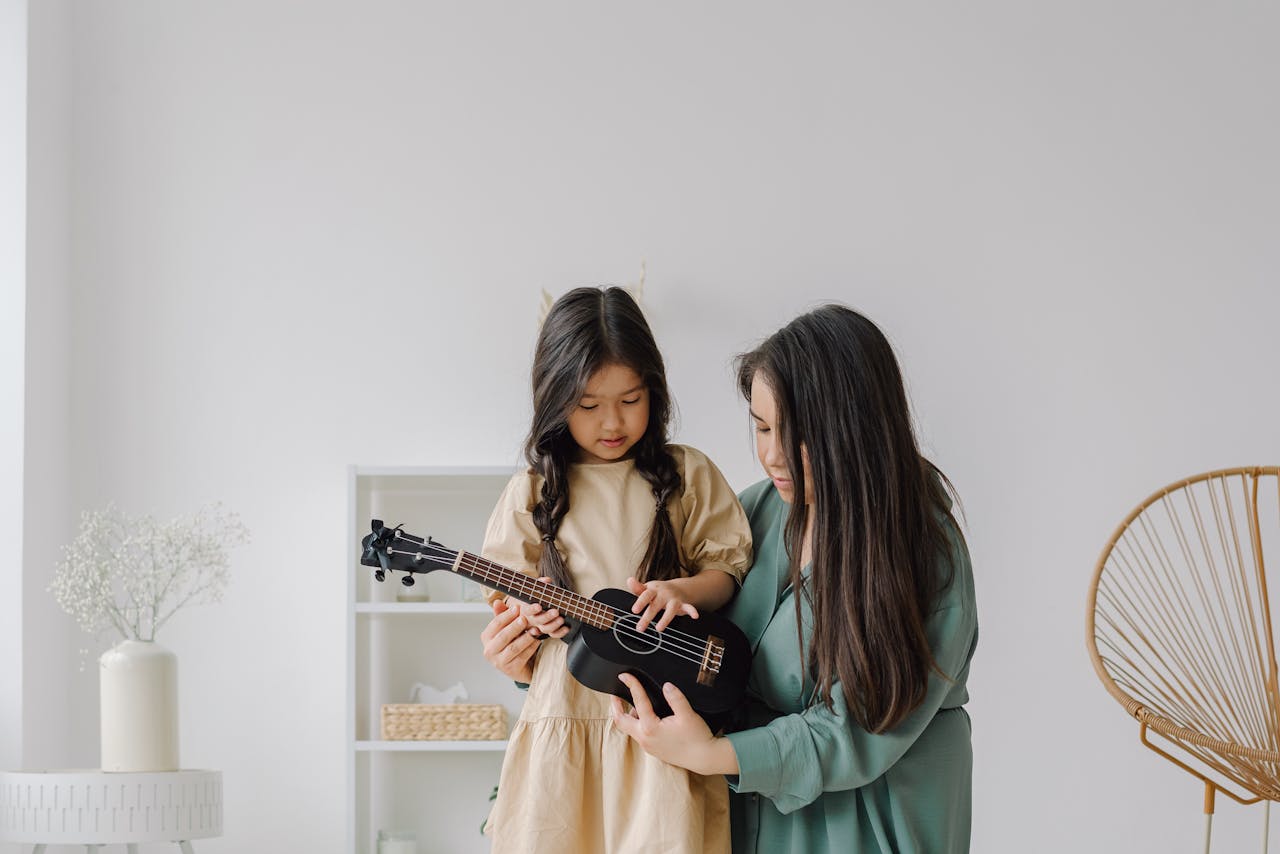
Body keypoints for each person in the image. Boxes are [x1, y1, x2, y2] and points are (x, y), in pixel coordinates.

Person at [612, 304, 978, 854]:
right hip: (750, 808)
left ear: (858, 430)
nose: (773, 455)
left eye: (799, 434)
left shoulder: (923, 549)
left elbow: (857, 731)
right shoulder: (755, 513)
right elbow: (676, 644)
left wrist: (714, 755)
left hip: (872, 816)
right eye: (761, 426)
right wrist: (542, 651)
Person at [478, 285, 754, 854]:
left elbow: (726, 569)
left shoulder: (687, 473)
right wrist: (528, 613)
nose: (612, 421)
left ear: (654, 390)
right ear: (555, 399)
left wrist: (681, 588)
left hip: (659, 714)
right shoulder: (532, 491)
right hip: (563, 715)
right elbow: (505, 602)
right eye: (588, 404)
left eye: (631, 399)